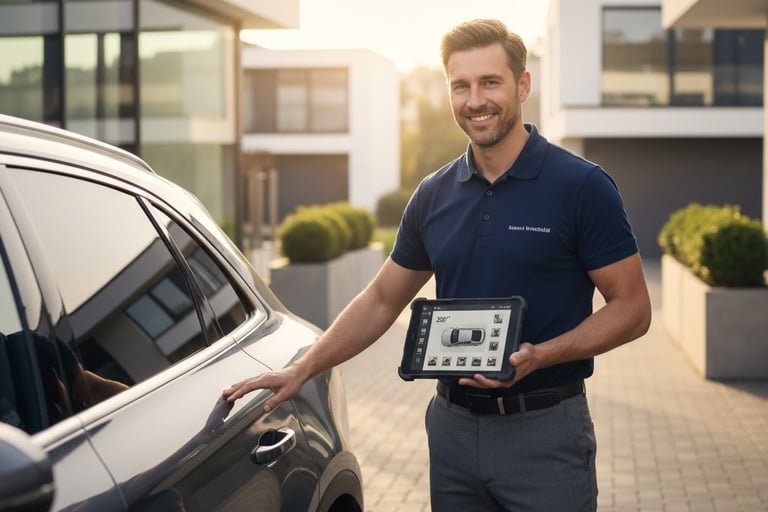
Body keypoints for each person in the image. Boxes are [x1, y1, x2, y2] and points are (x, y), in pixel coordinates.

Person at [223, 18, 651, 511]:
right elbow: (383, 299)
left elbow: (633, 309)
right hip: (452, 431)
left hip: (545, 431)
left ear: (523, 85)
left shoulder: (581, 186)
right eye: (460, 86)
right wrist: (304, 368)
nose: (475, 101)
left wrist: (540, 355)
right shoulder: (433, 195)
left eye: (490, 82)